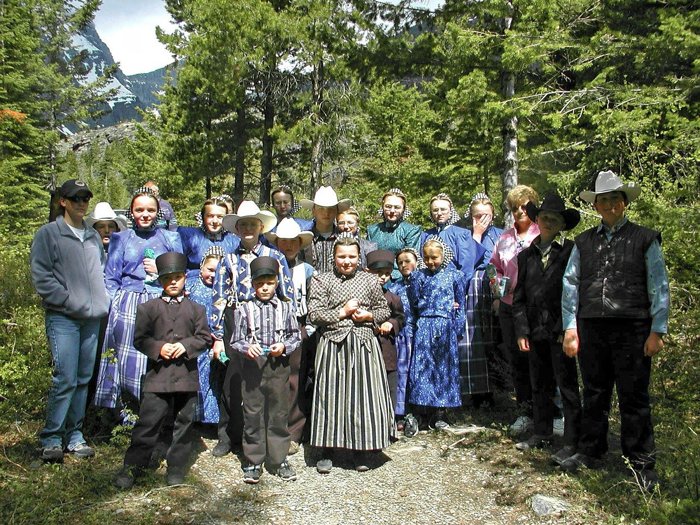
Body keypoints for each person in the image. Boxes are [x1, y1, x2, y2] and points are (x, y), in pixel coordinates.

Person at [560, 170, 669, 491]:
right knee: (594, 392)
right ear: (596, 206)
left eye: (613, 199)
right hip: (591, 325)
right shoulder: (583, 241)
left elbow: (658, 285)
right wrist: (570, 328)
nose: (608, 205)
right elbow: (570, 284)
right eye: (602, 200)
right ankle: (590, 451)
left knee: (634, 396)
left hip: (634, 327)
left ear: (623, 203)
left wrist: (657, 329)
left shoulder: (645, 238)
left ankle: (642, 465)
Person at [113, 252, 212, 488]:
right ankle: (133, 467)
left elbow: (204, 338)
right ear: (160, 281)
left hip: (186, 378)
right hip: (157, 378)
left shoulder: (196, 309)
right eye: (168, 278)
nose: (173, 282)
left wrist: (184, 346)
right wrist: (159, 348)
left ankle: (176, 468)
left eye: (178, 277)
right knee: (148, 423)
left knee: (184, 424)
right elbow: (140, 339)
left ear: (185, 278)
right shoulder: (148, 308)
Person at [30, 179, 110, 461]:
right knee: (64, 377)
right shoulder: (49, 234)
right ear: (63, 201)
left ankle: (74, 435)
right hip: (63, 317)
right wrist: (67, 300)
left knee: (83, 378)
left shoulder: (91, 236)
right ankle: (51, 437)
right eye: (76, 198)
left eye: (86, 198)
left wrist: (102, 301)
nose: (82, 203)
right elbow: (41, 276)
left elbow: (100, 272)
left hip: (91, 319)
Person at [210, 200, 294, 457]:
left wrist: (288, 326)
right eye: (243, 224)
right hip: (237, 318)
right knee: (233, 381)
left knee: (268, 381)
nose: (248, 228)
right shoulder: (228, 259)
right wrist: (217, 336)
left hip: (270, 319)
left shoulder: (275, 256)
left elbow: (287, 294)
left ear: (260, 227)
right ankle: (229, 436)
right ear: (236, 229)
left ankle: (271, 440)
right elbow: (219, 296)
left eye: (252, 224)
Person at [307, 235, 395, 473]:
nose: (346, 261)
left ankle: (361, 449)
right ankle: (326, 449)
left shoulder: (369, 280)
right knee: (330, 396)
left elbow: (383, 308)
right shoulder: (321, 280)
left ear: (359, 257)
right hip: (332, 344)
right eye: (341, 256)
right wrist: (342, 312)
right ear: (333, 257)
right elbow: (314, 313)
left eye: (351, 256)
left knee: (362, 397)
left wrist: (368, 316)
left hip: (363, 344)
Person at [93, 187, 183, 418]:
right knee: (126, 358)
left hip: (159, 302)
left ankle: (158, 415)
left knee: (158, 357)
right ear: (131, 212)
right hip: (127, 302)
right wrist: (113, 310)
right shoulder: (120, 238)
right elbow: (111, 277)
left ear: (158, 212)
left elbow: (179, 273)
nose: (145, 214)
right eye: (139, 209)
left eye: (150, 210)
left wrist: (162, 271)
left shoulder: (170, 237)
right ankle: (126, 413)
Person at [512, 193, 582, 464]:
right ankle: (541, 432)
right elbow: (519, 298)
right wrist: (521, 331)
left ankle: (572, 441)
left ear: (562, 224)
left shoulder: (571, 251)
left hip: (562, 330)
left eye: (555, 218)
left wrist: (571, 329)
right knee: (538, 383)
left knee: (567, 386)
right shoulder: (526, 255)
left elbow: (576, 292)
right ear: (537, 220)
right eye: (544, 217)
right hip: (534, 331)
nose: (549, 222)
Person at [231, 256, 301, 483]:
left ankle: (279, 458)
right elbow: (235, 340)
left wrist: (284, 346)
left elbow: (295, 336)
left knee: (279, 413)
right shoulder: (244, 309)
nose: (264, 288)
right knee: (252, 413)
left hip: (278, 366)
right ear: (252, 284)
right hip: (253, 368)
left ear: (277, 283)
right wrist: (246, 347)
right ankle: (253, 460)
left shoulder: (286, 307)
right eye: (259, 284)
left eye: (269, 283)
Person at [489, 185, 541, 435]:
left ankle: (552, 413)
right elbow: (493, 267)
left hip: (536, 307)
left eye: (524, 206)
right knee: (517, 361)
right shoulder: (505, 238)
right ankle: (526, 412)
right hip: (510, 306)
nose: (519, 211)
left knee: (541, 360)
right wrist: (498, 292)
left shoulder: (542, 232)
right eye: (514, 208)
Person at [265, 218, 316, 447]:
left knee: (296, 377)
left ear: (299, 243)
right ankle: (270, 428)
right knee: (272, 379)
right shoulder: (267, 266)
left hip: (298, 324)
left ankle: (294, 431)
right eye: (283, 242)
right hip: (271, 326)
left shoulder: (306, 270)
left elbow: (314, 300)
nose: (288, 246)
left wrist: (309, 328)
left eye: (293, 242)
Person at [407, 237, 468, 429]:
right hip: (425, 324)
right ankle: (421, 412)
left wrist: (457, 328)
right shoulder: (418, 276)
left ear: (443, 256)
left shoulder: (455, 276)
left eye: (434, 257)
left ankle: (440, 413)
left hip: (445, 325)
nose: (430, 261)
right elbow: (414, 302)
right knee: (423, 368)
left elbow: (461, 304)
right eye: (426, 258)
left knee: (444, 368)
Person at [455, 193, 504, 408]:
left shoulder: (501, 235)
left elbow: (504, 266)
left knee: (494, 338)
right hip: (471, 289)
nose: (482, 220)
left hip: (494, 287)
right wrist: (476, 235)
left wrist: (499, 295)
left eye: (486, 216)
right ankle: (475, 391)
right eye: (477, 216)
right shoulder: (464, 236)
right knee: (473, 340)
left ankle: (499, 390)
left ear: (493, 216)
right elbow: (465, 267)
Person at [185, 246, 227, 429]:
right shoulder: (191, 285)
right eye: (210, 269)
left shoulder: (225, 289)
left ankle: (212, 420)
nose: (213, 275)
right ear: (201, 267)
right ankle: (193, 417)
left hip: (215, 341)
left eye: (218, 271)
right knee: (197, 379)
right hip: (193, 339)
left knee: (213, 380)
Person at [366, 250, 405, 418]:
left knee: (389, 384)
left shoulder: (393, 298)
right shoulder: (361, 296)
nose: (383, 277)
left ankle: (389, 420)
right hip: (366, 348)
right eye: (378, 273)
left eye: (387, 274)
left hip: (386, 348)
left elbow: (401, 318)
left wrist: (391, 323)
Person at [388, 248, 420, 431]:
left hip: (419, 336)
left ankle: (419, 412)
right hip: (401, 337)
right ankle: (400, 412)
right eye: (400, 262)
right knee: (401, 374)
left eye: (408, 261)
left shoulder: (423, 282)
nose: (404, 265)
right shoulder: (395, 287)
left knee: (417, 375)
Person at [420, 193, 484, 279]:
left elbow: (466, 267)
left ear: (450, 212)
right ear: (431, 213)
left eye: (443, 209)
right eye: (435, 210)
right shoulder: (426, 235)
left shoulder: (462, 234)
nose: (439, 213)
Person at [367, 188, 422, 281]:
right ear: (382, 207)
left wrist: (390, 274)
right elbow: (369, 257)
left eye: (397, 207)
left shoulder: (411, 230)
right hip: (375, 278)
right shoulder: (372, 230)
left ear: (404, 209)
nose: (392, 211)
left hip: (399, 279)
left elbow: (410, 261)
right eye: (388, 206)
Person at [178, 197, 239, 279]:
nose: (215, 221)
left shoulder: (234, 242)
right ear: (203, 217)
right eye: (210, 216)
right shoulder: (189, 237)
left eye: (220, 217)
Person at [299, 186, 353, 273]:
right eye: (321, 209)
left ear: (336, 211)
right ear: (313, 211)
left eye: (331, 209)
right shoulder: (305, 239)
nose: (326, 213)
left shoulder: (345, 238)